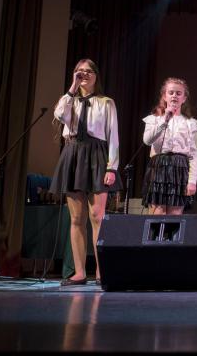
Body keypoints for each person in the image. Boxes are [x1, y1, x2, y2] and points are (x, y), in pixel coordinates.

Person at [50, 59, 123, 286]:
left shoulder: (106, 102)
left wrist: (112, 167)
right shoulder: (69, 101)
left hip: (97, 155)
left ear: (96, 75)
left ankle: (102, 272)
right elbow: (60, 114)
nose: (84, 75)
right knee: (76, 218)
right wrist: (72, 88)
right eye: (79, 72)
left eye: (89, 71)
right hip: (73, 154)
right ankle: (80, 272)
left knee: (97, 216)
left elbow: (113, 137)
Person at [142, 78, 197, 214]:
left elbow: (194, 154)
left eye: (179, 93)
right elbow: (147, 140)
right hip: (159, 166)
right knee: (158, 213)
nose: (174, 96)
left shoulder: (191, 123)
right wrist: (164, 120)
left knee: (175, 215)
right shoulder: (154, 119)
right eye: (171, 92)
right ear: (164, 96)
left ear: (184, 98)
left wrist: (192, 181)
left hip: (180, 168)